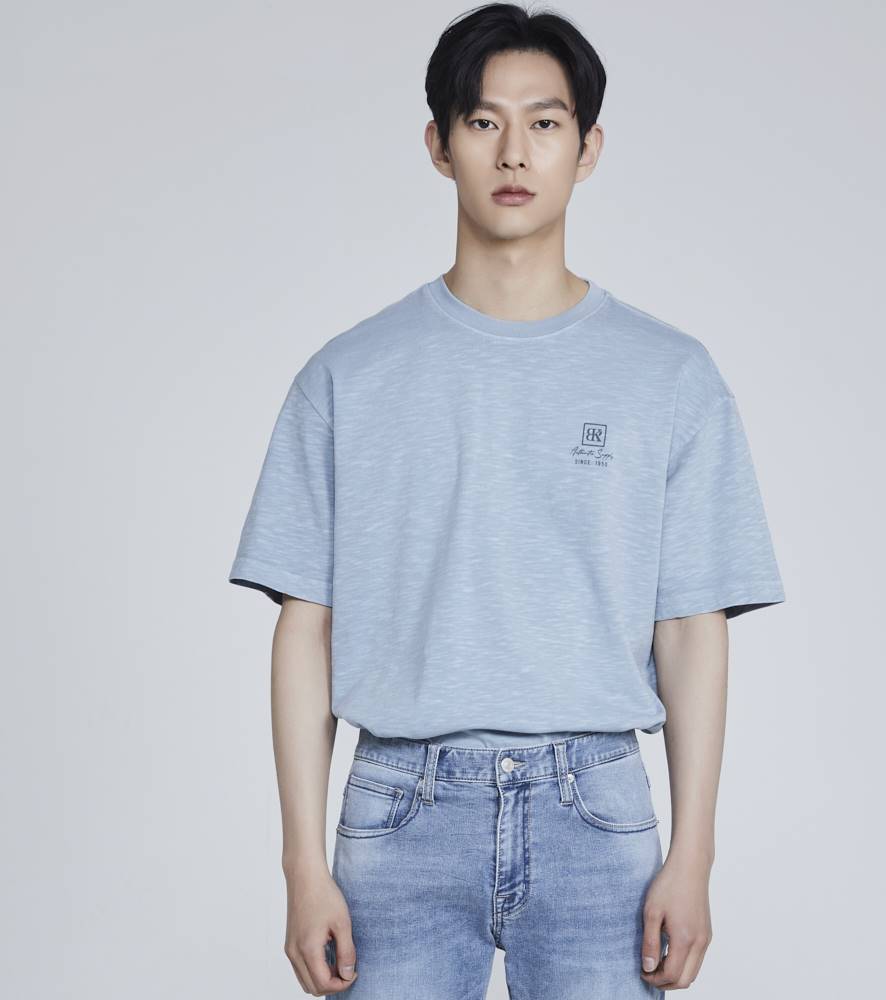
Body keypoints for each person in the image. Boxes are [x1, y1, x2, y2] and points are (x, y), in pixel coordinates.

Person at [227, 4, 785, 997]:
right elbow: (305, 626)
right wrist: (301, 867)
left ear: (588, 147)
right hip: (398, 809)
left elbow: (690, 626)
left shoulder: (668, 376)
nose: (514, 151)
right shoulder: (348, 376)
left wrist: (693, 854)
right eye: (483, 121)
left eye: (545, 122)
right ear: (439, 145)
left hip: (597, 814)